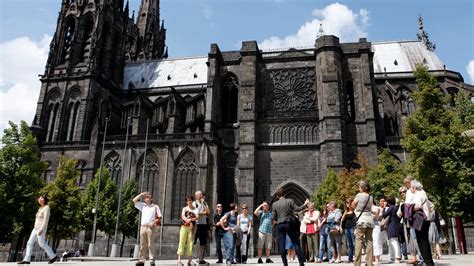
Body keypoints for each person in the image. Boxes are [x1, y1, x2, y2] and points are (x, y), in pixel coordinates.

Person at [272, 187, 310, 266]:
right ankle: (301, 262)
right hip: (289, 223)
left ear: (278, 196)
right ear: (284, 194)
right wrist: (305, 204)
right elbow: (298, 209)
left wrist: (277, 220)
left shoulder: (275, 204)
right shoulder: (290, 201)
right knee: (295, 242)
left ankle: (285, 263)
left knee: (282, 244)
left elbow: (273, 217)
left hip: (280, 224)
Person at [18, 195, 58, 264]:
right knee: (29, 242)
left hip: (41, 228)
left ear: (45, 199)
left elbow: (45, 220)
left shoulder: (46, 207)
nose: (40, 199)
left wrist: (41, 229)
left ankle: (53, 256)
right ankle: (27, 259)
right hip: (35, 228)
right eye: (39, 198)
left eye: (42, 198)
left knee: (42, 243)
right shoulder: (40, 208)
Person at [132, 192, 162, 266]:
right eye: (145, 197)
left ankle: (152, 260)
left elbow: (160, 217)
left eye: (148, 197)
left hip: (150, 227)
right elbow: (134, 200)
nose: (146, 198)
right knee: (142, 244)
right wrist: (141, 194)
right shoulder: (143, 206)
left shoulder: (155, 206)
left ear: (151, 199)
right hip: (143, 227)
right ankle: (142, 260)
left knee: (150, 244)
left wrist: (154, 223)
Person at [411, 180, 434, 266]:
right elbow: (432, 206)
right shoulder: (423, 194)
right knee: (425, 241)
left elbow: (418, 206)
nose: (411, 190)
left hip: (420, 220)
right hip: (427, 220)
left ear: (414, 188)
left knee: (421, 242)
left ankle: (427, 262)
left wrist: (410, 208)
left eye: (411, 188)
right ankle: (430, 262)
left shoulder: (417, 195)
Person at [352, 180, 375, 266]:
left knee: (359, 241)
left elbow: (353, 205)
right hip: (369, 219)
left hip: (361, 220)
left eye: (359, 187)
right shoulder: (370, 197)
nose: (359, 189)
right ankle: (369, 263)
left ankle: (357, 263)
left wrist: (357, 208)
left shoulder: (359, 195)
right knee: (369, 241)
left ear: (363, 188)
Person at [177, 195, 198, 265]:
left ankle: (190, 260)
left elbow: (197, 217)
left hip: (192, 227)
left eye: (190, 200)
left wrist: (191, 219)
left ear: (192, 201)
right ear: (186, 201)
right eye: (188, 200)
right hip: (184, 226)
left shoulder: (195, 209)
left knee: (190, 243)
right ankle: (179, 260)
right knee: (181, 242)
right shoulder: (185, 208)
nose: (189, 201)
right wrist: (187, 219)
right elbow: (182, 216)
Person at [193, 191, 210, 264]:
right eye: (200, 195)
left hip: (204, 225)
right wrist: (203, 213)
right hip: (197, 224)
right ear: (196, 196)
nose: (202, 195)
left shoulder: (205, 203)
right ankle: (193, 258)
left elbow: (208, 212)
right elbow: (196, 214)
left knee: (203, 243)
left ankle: (200, 259)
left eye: (202, 195)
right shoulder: (194, 203)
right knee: (194, 241)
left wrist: (203, 204)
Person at [383, 196, 401, 263]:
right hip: (395, 224)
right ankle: (394, 257)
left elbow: (384, 215)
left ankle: (396, 257)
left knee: (393, 241)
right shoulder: (396, 207)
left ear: (388, 202)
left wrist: (384, 208)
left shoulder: (391, 207)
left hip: (392, 225)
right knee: (394, 241)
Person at [341, 197, 356, 263]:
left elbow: (356, 220)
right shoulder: (346, 211)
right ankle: (350, 258)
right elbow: (342, 220)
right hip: (347, 229)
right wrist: (341, 227)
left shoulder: (354, 211)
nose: (347, 204)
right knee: (349, 244)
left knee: (354, 243)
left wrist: (355, 228)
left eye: (348, 203)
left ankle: (357, 257)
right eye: (346, 203)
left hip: (352, 228)